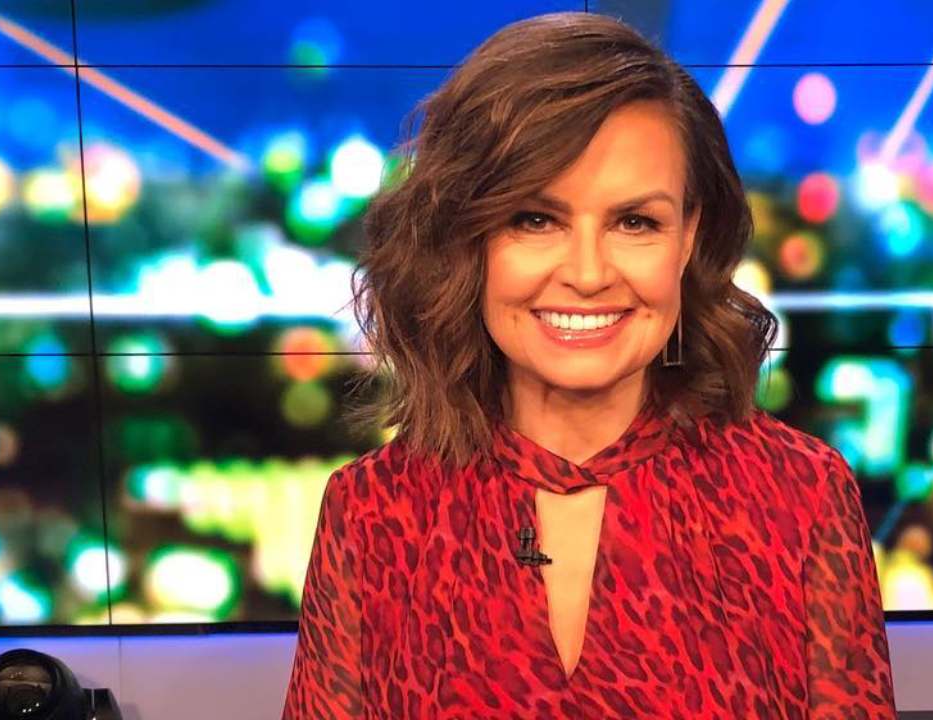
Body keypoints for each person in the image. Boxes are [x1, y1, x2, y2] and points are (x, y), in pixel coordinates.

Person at [283, 11, 895, 719]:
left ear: (688, 237)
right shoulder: (373, 514)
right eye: (534, 219)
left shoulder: (801, 499)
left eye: (635, 222)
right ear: (466, 239)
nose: (587, 273)